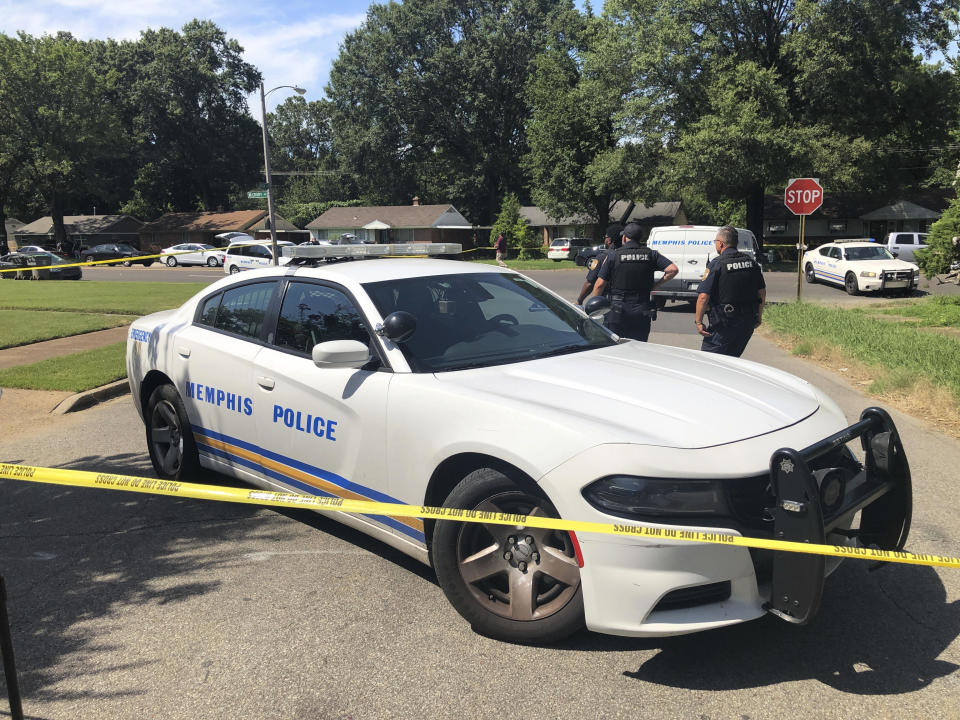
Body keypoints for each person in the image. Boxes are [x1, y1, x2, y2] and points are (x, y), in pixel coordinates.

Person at [591, 222, 678, 341]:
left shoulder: (613, 255)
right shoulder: (651, 254)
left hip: (617, 310)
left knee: (615, 347)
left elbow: (599, 285)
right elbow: (673, 269)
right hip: (642, 309)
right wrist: (656, 285)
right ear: (641, 238)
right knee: (639, 347)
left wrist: (595, 308)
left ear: (624, 237)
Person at [694, 225, 766, 357]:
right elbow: (762, 292)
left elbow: (703, 297)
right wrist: (758, 316)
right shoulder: (751, 263)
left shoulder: (717, 263)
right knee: (732, 362)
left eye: (715, 241)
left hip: (724, 324)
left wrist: (698, 322)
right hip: (747, 323)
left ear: (721, 244)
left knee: (710, 362)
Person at [576, 224, 622, 305]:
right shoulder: (629, 256)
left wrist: (579, 301)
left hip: (609, 302)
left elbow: (590, 283)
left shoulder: (602, 257)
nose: (604, 239)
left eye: (605, 237)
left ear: (609, 240)